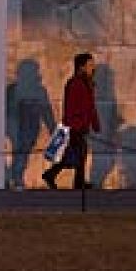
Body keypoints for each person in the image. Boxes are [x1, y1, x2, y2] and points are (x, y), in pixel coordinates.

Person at [42, 52, 100, 189]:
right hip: (75, 126)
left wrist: (94, 123)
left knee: (76, 153)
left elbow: (90, 106)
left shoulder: (87, 83)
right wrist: (74, 125)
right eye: (90, 64)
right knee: (78, 153)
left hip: (81, 125)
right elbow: (70, 107)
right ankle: (73, 181)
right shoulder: (75, 83)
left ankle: (54, 175)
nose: (93, 67)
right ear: (81, 67)